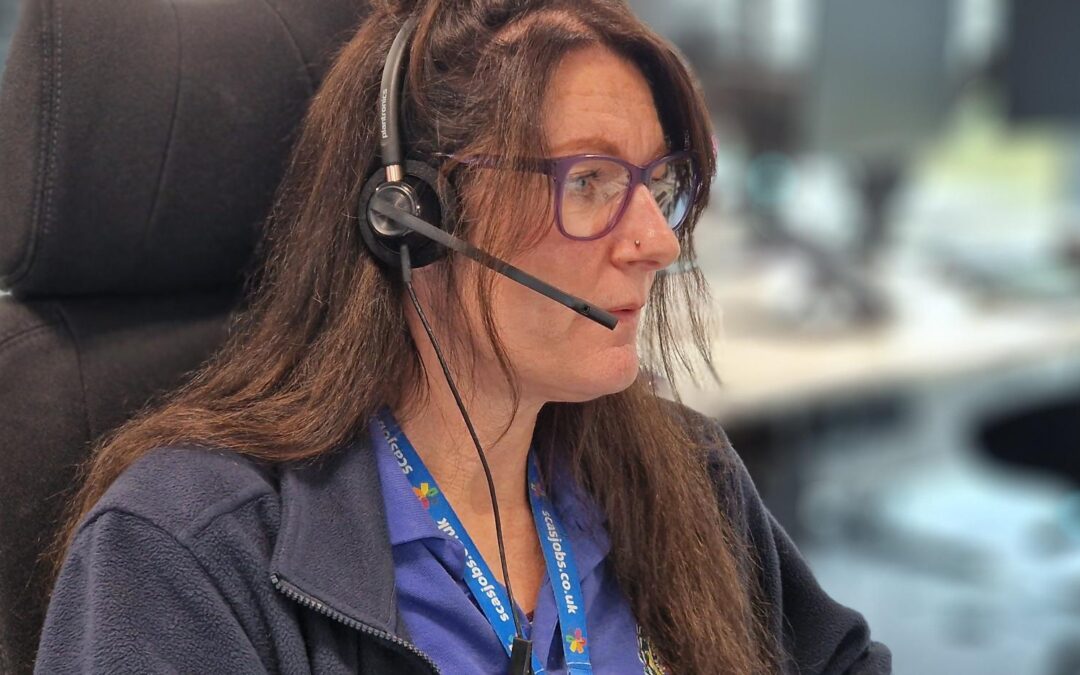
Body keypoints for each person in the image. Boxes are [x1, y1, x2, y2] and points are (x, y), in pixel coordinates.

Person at [35, 1, 891, 673]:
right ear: (413, 215)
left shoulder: (684, 475)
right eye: (590, 181)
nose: (656, 242)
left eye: (657, 183)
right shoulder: (185, 553)